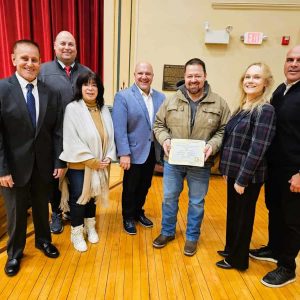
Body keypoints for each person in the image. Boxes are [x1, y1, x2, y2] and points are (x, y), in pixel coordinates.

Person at [153, 58, 231, 256]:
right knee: (169, 198)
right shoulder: (170, 100)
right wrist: (165, 140)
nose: (193, 80)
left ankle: (192, 237)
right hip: (173, 161)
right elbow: (158, 125)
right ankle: (167, 231)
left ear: (205, 77)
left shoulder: (219, 103)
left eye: (198, 75)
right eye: (190, 76)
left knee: (196, 202)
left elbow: (224, 130)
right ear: (184, 78)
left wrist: (212, 146)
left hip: (201, 163)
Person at [0, 40, 65, 276]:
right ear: (13, 59)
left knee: (41, 207)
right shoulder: (2, 89)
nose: (30, 63)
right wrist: (2, 169)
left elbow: (56, 131)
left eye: (34, 59)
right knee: (16, 214)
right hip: (13, 168)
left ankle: (43, 241)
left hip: (43, 165)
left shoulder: (51, 92)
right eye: (24, 58)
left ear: (40, 62)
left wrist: (59, 162)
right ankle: (15, 254)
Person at [215, 63, 276, 271]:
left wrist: (242, 178)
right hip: (234, 172)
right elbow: (231, 140)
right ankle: (230, 249)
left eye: (257, 77)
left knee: (243, 217)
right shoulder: (242, 107)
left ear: (266, 83)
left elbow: (258, 148)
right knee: (233, 213)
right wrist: (227, 170)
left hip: (248, 176)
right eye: (247, 76)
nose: (250, 81)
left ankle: (238, 259)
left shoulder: (265, 110)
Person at [249, 45, 300, 287]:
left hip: (295, 171)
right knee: (274, 209)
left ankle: (287, 266)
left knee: (292, 219)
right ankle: (274, 249)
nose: (294, 64)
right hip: (275, 168)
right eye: (290, 59)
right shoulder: (281, 90)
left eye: (299, 60)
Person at [39, 31, 91, 234]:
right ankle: (57, 214)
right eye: (63, 43)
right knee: (55, 178)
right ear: (54, 46)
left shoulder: (86, 71)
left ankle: (74, 210)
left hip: (80, 137)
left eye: (71, 44)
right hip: (53, 136)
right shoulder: (43, 71)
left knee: (77, 176)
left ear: (76, 48)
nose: (67, 47)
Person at [59, 71, 116, 252]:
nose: (90, 88)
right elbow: (70, 139)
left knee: (92, 197)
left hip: (100, 163)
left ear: (99, 89)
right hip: (80, 163)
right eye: (86, 84)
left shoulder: (103, 108)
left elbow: (110, 135)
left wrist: (109, 155)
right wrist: (91, 161)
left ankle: (90, 227)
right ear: (80, 87)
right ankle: (76, 233)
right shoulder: (73, 108)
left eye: (94, 85)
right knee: (79, 199)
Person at [112, 62, 165, 235]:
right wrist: (124, 153)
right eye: (140, 73)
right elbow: (119, 128)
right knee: (130, 186)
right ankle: (128, 217)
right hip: (133, 152)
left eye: (148, 73)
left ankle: (138, 211)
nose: (144, 76)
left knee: (145, 184)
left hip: (152, 150)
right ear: (134, 75)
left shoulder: (160, 98)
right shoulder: (123, 96)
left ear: (152, 76)